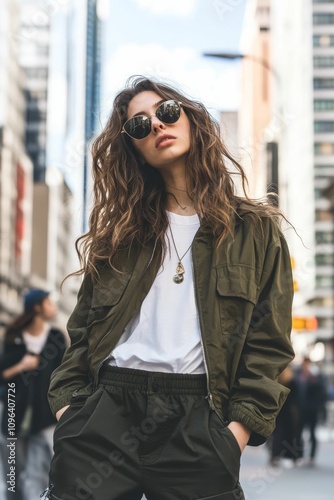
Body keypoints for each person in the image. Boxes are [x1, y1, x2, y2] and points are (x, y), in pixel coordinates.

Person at [45, 76, 294, 500]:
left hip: (199, 420)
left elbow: (268, 344)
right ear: (134, 149)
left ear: (191, 118)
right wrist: (72, 413)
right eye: (139, 125)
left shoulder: (256, 232)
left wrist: (233, 434)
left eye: (165, 112)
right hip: (107, 412)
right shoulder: (120, 234)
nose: (157, 125)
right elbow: (83, 333)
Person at [0, 288, 66, 500]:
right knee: (12, 475)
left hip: (44, 418)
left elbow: (63, 374)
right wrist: (21, 366)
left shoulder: (55, 338)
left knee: (37, 474)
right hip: (13, 417)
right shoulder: (13, 337)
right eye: (49, 302)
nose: (53, 307)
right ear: (37, 307)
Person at [296, 357, 328, 466]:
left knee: (312, 434)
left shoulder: (318, 378)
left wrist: (312, 377)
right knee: (299, 433)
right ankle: (298, 456)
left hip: (313, 410)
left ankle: (312, 457)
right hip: (301, 409)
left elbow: (322, 392)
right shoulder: (299, 375)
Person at [268, 365, 302, 467]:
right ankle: (294, 457)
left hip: (279, 412)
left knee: (278, 435)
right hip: (289, 414)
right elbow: (297, 400)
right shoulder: (292, 383)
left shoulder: (277, 382)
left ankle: (276, 456)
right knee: (292, 435)